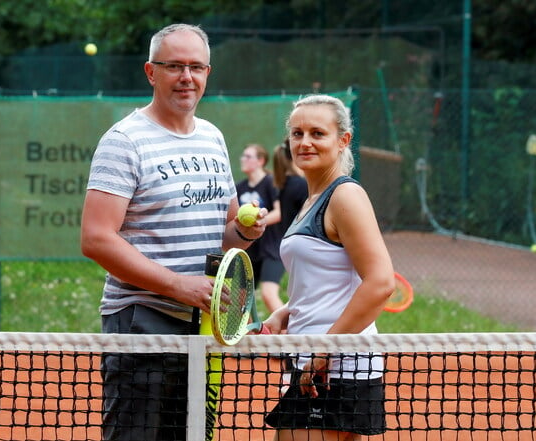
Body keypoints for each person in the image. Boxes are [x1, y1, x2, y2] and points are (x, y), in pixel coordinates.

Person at [80, 23, 266, 441]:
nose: (187, 77)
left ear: (207, 74)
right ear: (151, 72)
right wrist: (177, 285)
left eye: (196, 67)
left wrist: (248, 230)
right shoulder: (124, 141)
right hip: (142, 323)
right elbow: (96, 238)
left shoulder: (213, 138)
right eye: (175, 66)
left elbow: (228, 232)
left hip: (201, 327)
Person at [263, 94, 396, 441]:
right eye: (297, 133)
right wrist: (287, 312)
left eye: (317, 133)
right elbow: (330, 279)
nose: (305, 142)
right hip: (313, 359)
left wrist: (326, 351)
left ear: (343, 141)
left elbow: (380, 282)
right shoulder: (311, 200)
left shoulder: (345, 196)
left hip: (333, 366)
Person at [236, 143, 285, 313]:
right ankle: (248, 338)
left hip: (272, 248)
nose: (243, 159)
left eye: (248, 156)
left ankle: (292, 336)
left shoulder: (271, 183)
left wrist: (259, 222)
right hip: (249, 250)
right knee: (240, 301)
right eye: (243, 156)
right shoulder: (239, 188)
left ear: (260, 161)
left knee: (268, 294)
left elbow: (280, 212)